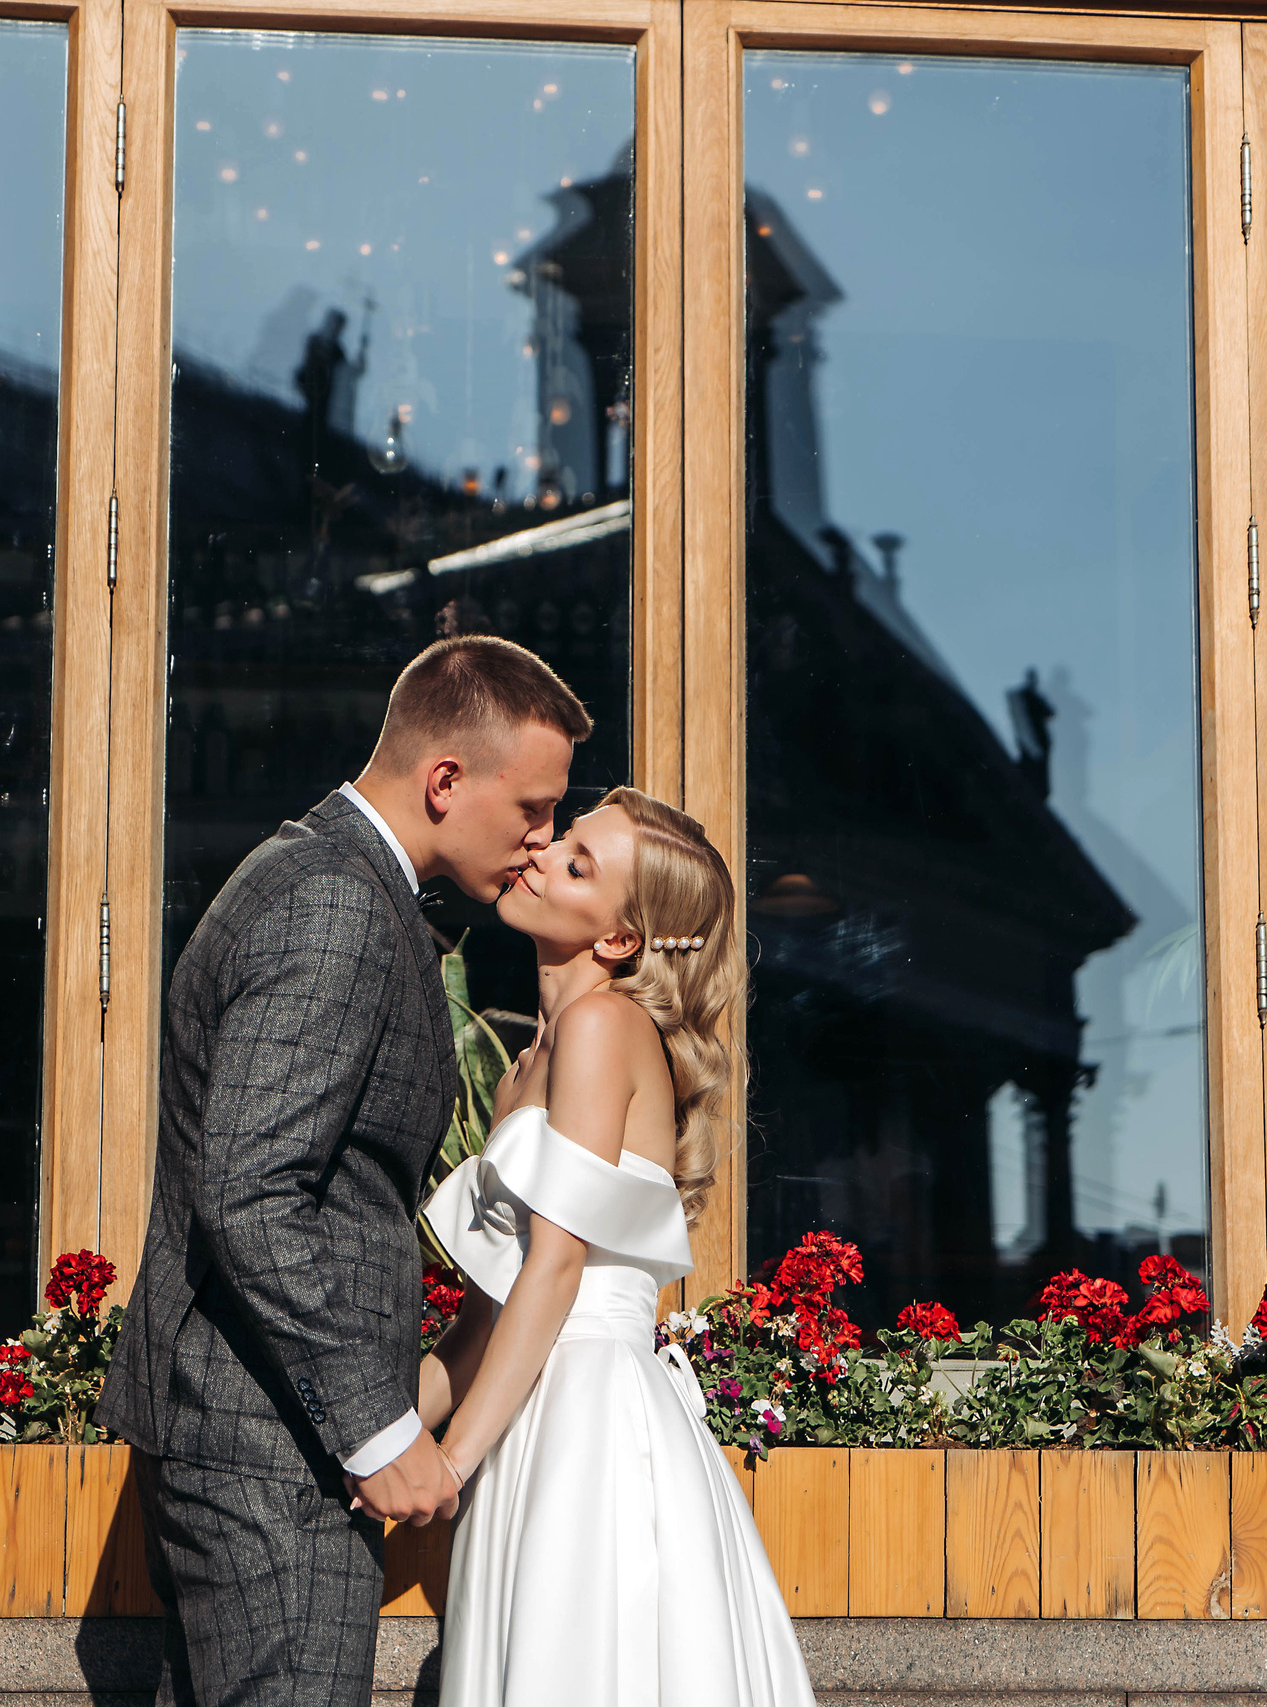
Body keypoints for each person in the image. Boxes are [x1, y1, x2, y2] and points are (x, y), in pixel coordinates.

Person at [95, 635, 592, 1707]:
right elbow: (253, 1193)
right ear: (445, 781)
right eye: (535, 810)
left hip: (260, 1442)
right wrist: (376, 1426)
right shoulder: (334, 905)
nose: (544, 839)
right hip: (268, 1456)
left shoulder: (341, 885)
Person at [418, 788, 818, 1707]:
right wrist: (377, 1440)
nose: (543, 853)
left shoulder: (604, 1026)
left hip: (588, 1425)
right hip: (531, 1414)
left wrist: (448, 1462)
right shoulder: (531, 1061)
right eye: (564, 840)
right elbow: (487, 1308)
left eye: (578, 862)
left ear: (620, 940)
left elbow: (557, 1267)